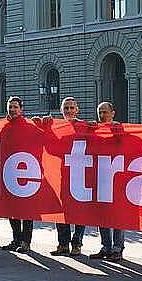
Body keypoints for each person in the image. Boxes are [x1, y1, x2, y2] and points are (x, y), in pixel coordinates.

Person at [89, 101, 125, 261]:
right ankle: (106, 246)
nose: (102, 115)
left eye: (105, 112)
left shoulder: (119, 129)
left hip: (117, 178)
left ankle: (118, 248)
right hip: (101, 177)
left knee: (118, 215)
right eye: (100, 112)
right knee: (101, 214)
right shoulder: (94, 130)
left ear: (113, 113)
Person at [52, 96, 86, 256]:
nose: (69, 111)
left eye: (72, 108)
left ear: (77, 109)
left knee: (79, 212)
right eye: (66, 108)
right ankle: (63, 244)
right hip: (63, 175)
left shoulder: (84, 126)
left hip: (81, 175)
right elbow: (49, 146)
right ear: (61, 111)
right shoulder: (56, 127)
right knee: (61, 211)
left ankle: (77, 243)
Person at [0, 96, 35, 253]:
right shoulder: (5, 127)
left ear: (21, 109)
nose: (12, 109)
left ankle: (26, 242)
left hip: (26, 172)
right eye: (10, 107)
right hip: (9, 172)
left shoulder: (29, 126)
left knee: (27, 210)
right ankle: (16, 239)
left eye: (15, 107)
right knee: (12, 210)